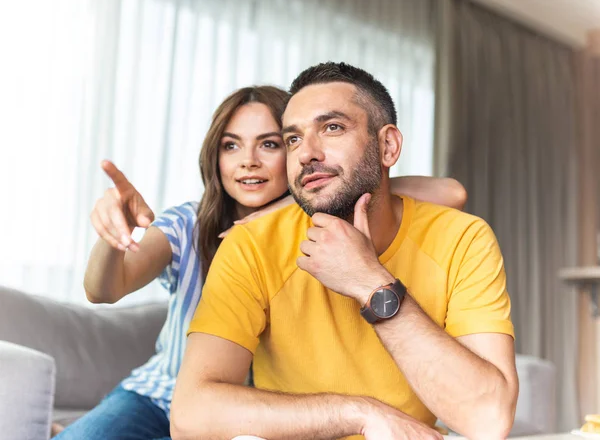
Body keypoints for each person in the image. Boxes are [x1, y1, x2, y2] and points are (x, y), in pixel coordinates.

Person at [53, 84, 467, 440]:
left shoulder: (319, 232)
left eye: (269, 144)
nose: (247, 160)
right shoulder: (187, 223)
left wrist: (285, 204)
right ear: (215, 159)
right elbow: (103, 289)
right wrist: (114, 237)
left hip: (258, 412)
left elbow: (450, 192)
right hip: (162, 395)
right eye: (231, 145)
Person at [171, 64, 518, 440]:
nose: (306, 154)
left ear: (388, 146)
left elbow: (489, 419)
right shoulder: (251, 245)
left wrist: (370, 282)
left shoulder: (463, 239)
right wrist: (361, 414)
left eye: (332, 128)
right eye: (292, 140)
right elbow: (190, 415)